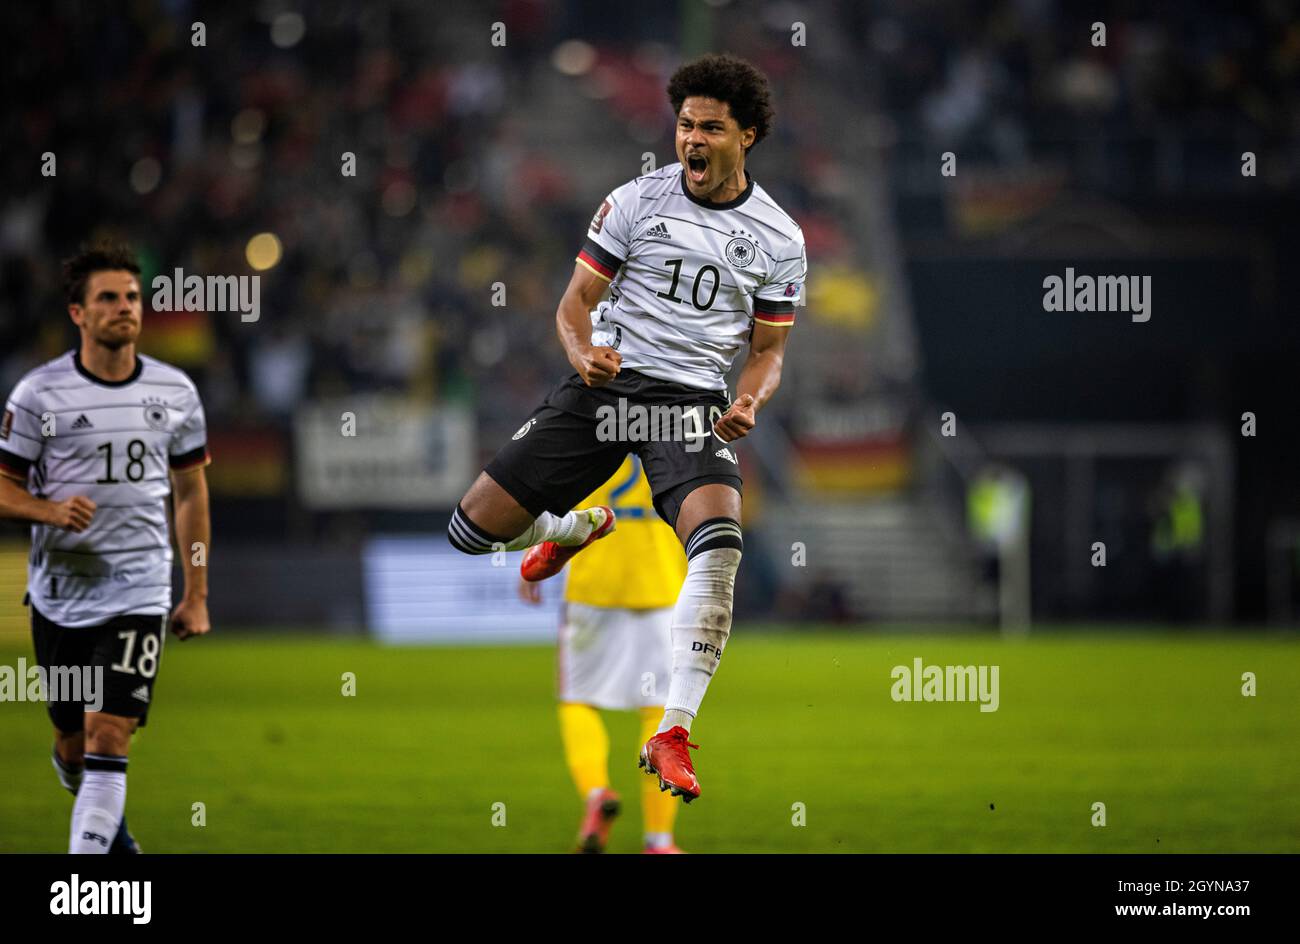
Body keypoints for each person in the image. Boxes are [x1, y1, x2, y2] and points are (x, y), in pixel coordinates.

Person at [448, 54, 806, 803]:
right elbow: (574, 302)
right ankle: (571, 528)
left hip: (688, 405)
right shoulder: (634, 203)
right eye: (684, 124)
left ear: (747, 135)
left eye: (710, 126)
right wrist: (583, 354)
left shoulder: (779, 239)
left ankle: (672, 730)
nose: (692, 139)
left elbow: (768, 351)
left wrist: (749, 400)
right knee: (469, 532)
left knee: (720, 544)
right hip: (604, 388)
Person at [0, 241, 212, 853]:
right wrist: (48, 511)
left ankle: (90, 889)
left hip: (139, 589)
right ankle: (116, 846)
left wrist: (194, 592)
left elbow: (192, 495)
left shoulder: (175, 393)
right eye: (109, 298)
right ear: (78, 314)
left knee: (108, 736)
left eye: (133, 297)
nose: (125, 308)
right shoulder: (39, 396)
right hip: (60, 597)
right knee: (73, 745)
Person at [519, 456, 687, 853]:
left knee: (578, 700)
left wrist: (536, 565)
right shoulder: (679, 428)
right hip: (661, 585)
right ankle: (659, 841)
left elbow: (553, 503)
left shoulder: (589, 428)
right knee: (658, 712)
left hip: (593, 584)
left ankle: (596, 792)